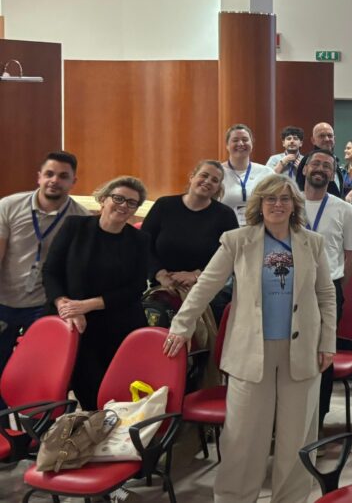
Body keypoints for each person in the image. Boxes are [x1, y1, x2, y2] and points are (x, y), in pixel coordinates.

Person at [163, 174, 336, 503]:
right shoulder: (237, 240)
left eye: (284, 198)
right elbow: (206, 285)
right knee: (243, 436)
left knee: (296, 436)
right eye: (270, 198)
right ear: (259, 204)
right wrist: (182, 324)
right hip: (250, 350)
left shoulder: (312, 242)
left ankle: (291, 499)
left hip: (301, 349)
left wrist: (328, 342)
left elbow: (326, 295)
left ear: (294, 205)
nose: (277, 204)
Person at [43, 177, 149, 410]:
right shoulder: (75, 226)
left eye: (131, 203)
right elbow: (51, 271)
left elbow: (136, 288)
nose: (123, 206)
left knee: (109, 393)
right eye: (118, 198)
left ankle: (102, 428)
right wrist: (64, 305)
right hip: (71, 322)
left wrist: (87, 305)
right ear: (103, 199)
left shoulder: (139, 239)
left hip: (116, 323)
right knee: (74, 388)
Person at [0, 152, 90, 408]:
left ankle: (34, 426)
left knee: (38, 371)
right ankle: (4, 424)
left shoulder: (81, 218)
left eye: (63, 176)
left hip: (44, 304)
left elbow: (77, 271)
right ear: (39, 177)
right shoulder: (9, 206)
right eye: (49, 174)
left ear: (73, 181)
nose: (54, 180)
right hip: (4, 299)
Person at [299, 151, 352, 428]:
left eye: (327, 166)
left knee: (322, 356)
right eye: (315, 163)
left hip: (327, 290)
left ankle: (318, 419)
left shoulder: (343, 209)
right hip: (288, 288)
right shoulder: (287, 203)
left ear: (333, 173)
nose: (320, 168)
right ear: (304, 169)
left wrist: (335, 288)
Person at [141, 160, 239, 306]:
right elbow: (143, 245)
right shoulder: (164, 205)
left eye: (214, 180)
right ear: (192, 177)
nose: (208, 181)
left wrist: (197, 275)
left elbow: (231, 256)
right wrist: (160, 274)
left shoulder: (225, 215)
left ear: (218, 187)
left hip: (206, 290)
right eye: (204, 175)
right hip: (161, 288)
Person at [221, 124, 271, 226]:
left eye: (245, 139)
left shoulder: (267, 173)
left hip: (258, 230)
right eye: (235, 140)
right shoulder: (218, 173)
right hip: (224, 231)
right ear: (227, 145)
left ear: (252, 144)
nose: (240, 143)